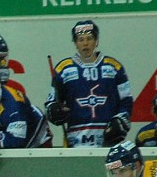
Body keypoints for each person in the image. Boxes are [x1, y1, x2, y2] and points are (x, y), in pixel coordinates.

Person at [45, 20, 134, 148]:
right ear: (75, 43)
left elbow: (127, 100)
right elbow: (51, 102)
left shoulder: (114, 67)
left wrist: (121, 120)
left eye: (89, 38)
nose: (85, 43)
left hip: (108, 138)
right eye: (80, 40)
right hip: (74, 140)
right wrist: (54, 110)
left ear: (96, 41)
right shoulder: (63, 69)